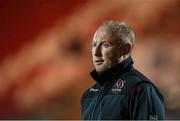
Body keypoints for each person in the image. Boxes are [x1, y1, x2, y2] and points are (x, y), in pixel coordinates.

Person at [81, 20, 165, 120]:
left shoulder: (141, 90)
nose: (96, 52)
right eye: (94, 45)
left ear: (125, 49)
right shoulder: (89, 94)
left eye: (105, 45)